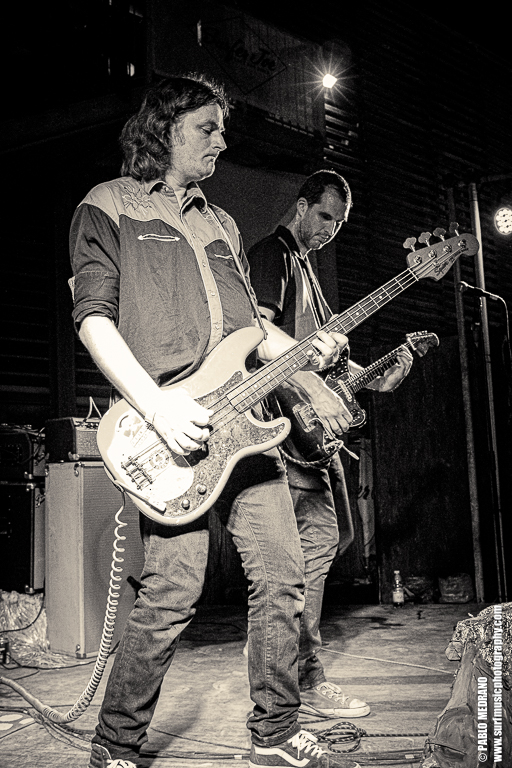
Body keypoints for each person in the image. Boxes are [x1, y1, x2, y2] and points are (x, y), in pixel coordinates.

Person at [70, 75, 358, 768]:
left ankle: (275, 731)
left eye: (221, 129)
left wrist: (306, 355)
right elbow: (93, 319)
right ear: (165, 127)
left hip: (247, 428)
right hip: (169, 427)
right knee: (171, 594)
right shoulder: (107, 205)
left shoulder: (222, 224)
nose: (221, 141)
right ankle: (116, 744)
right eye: (207, 128)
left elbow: (251, 330)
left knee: (285, 574)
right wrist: (155, 404)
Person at [247, 170, 413, 719]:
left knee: (334, 538)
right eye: (324, 217)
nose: (330, 231)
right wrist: (306, 392)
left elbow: (323, 362)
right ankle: (302, 672)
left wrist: (372, 376)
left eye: (339, 224)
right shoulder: (273, 255)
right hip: (289, 427)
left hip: (316, 432)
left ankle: (280, 649)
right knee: (313, 543)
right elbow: (257, 339)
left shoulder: (309, 271)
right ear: (301, 207)